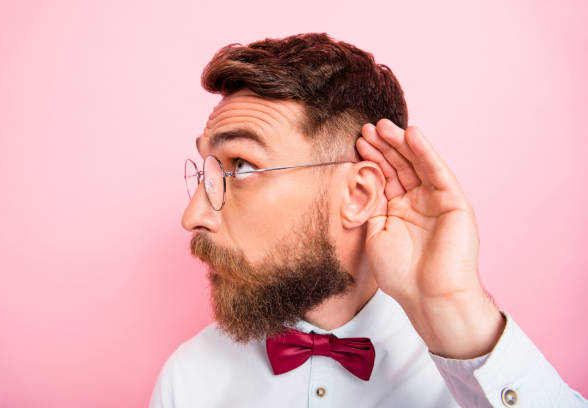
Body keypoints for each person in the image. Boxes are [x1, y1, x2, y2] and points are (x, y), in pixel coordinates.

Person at [149, 33, 587, 407]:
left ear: (358, 194)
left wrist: (457, 309)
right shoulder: (188, 381)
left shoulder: (479, 372)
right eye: (206, 168)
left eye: (241, 166)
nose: (193, 215)